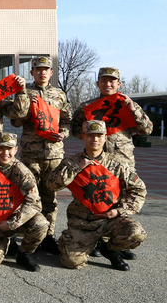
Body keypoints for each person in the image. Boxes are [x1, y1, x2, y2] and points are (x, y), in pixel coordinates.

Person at [48, 120, 147, 271]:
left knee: (136, 234)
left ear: (105, 137)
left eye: (99, 136)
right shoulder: (71, 162)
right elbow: (51, 184)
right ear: (83, 136)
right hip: (83, 221)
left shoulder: (117, 163)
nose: (95, 139)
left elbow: (138, 190)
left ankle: (110, 249)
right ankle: (70, 241)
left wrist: (120, 211)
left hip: (111, 219)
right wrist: (77, 168)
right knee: (71, 262)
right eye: (90, 135)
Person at [10, 56, 72, 254]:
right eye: (38, 69)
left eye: (46, 69)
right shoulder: (26, 93)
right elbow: (16, 121)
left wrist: (64, 133)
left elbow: (67, 121)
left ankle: (48, 236)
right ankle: (31, 234)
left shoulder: (59, 95)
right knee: (28, 197)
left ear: (51, 73)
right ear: (32, 73)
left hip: (54, 154)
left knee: (50, 198)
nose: (42, 72)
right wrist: (28, 107)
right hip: (31, 155)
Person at [0, 133, 48, 272]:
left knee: (41, 224)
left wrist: (11, 224)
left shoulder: (22, 172)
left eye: (9, 149)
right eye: (1, 148)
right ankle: (2, 242)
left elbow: (34, 203)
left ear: (16, 150)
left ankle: (25, 254)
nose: (5, 153)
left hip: (17, 218)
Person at [71, 67, 153, 169]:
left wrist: (133, 111)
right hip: (95, 161)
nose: (108, 84)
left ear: (119, 84)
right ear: (98, 83)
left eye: (112, 81)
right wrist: (92, 135)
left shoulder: (128, 104)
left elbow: (146, 130)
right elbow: (75, 130)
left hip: (122, 163)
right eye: (104, 81)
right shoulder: (87, 107)